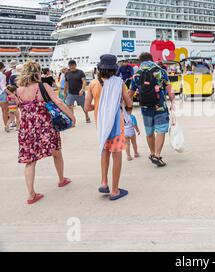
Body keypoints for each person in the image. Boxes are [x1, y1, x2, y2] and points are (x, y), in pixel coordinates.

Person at [15, 61, 75, 205]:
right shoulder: (43, 86)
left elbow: (20, 108)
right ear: (37, 72)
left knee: (30, 160)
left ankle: (31, 194)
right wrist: (71, 116)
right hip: (45, 125)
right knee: (56, 152)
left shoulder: (19, 90)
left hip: (27, 128)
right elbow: (59, 102)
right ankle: (61, 179)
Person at [85, 54, 133, 201]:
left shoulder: (93, 83)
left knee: (104, 152)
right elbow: (129, 103)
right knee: (116, 155)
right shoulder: (119, 83)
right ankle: (114, 190)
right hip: (116, 125)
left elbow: (87, 107)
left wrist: (100, 107)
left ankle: (104, 182)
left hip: (101, 125)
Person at [128, 52, 175, 168]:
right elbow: (169, 89)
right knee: (160, 130)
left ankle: (152, 153)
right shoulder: (161, 71)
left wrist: (125, 107)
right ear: (151, 59)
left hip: (145, 107)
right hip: (160, 106)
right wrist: (172, 101)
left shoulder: (137, 74)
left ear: (140, 61)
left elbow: (130, 93)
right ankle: (157, 155)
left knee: (149, 132)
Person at [0, 62, 9, 132]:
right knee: (5, 111)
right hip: (2, 94)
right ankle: (6, 126)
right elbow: (3, 86)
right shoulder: (2, 75)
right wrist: (10, 92)